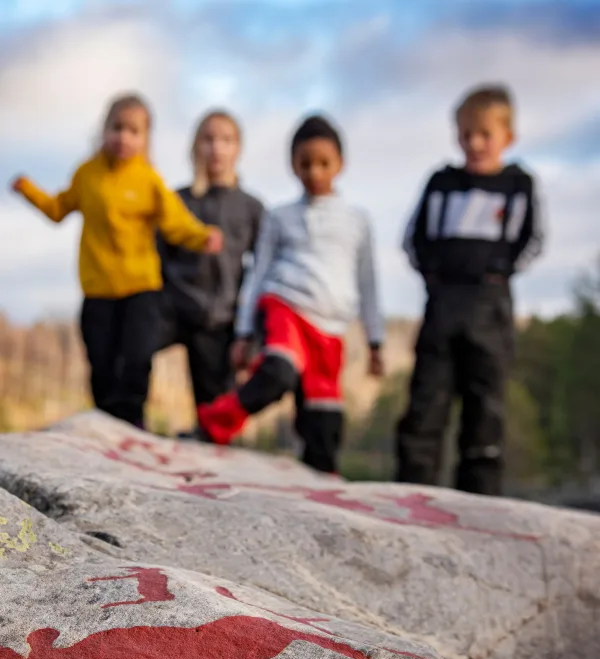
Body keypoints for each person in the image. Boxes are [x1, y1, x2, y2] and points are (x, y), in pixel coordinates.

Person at [11, 93, 223, 429]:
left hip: (141, 286)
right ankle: (106, 423)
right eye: (117, 128)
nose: (124, 137)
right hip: (98, 287)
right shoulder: (87, 174)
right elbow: (57, 209)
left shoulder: (148, 179)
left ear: (144, 138)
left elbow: (175, 222)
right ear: (104, 129)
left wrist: (202, 236)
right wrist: (28, 191)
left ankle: (133, 423)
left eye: (134, 131)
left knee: (137, 357)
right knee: (102, 361)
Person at [195, 114, 384, 474]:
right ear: (293, 166)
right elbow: (259, 271)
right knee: (279, 371)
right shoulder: (280, 217)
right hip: (284, 306)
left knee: (323, 423)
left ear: (340, 164)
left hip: (330, 327)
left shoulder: (356, 220)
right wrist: (244, 333)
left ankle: (320, 477)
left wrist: (376, 341)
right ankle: (212, 425)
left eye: (323, 163)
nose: (314, 171)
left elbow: (368, 282)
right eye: (305, 163)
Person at [395, 85, 544, 495]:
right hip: (443, 305)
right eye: (465, 135)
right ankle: (413, 491)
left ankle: (480, 498)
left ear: (507, 138)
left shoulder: (519, 186)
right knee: (427, 401)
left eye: (485, 135)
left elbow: (533, 240)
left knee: (486, 407)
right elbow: (412, 238)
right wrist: (433, 275)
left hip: (490, 307)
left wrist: (500, 270)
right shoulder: (441, 183)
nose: (474, 144)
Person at [157, 110, 263, 411]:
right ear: (195, 146)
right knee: (130, 351)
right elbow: (156, 255)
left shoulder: (252, 208)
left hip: (221, 320)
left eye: (226, 140)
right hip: (173, 310)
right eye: (208, 139)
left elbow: (263, 270)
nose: (216, 148)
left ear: (237, 148)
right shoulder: (175, 201)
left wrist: (250, 332)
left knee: (213, 406)